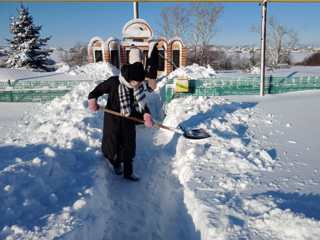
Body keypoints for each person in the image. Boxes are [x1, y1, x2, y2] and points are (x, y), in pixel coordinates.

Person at [87, 62, 153, 181]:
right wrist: (92, 100)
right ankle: (115, 163)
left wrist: (146, 114)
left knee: (129, 145)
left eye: (140, 82)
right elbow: (96, 91)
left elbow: (142, 103)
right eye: (136, 82)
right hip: (113, 120)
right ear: (129, 78)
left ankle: (128, 172)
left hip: (129, 120)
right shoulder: (114, 82)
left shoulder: (137, 87)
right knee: (113, 144)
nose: (138, 84)